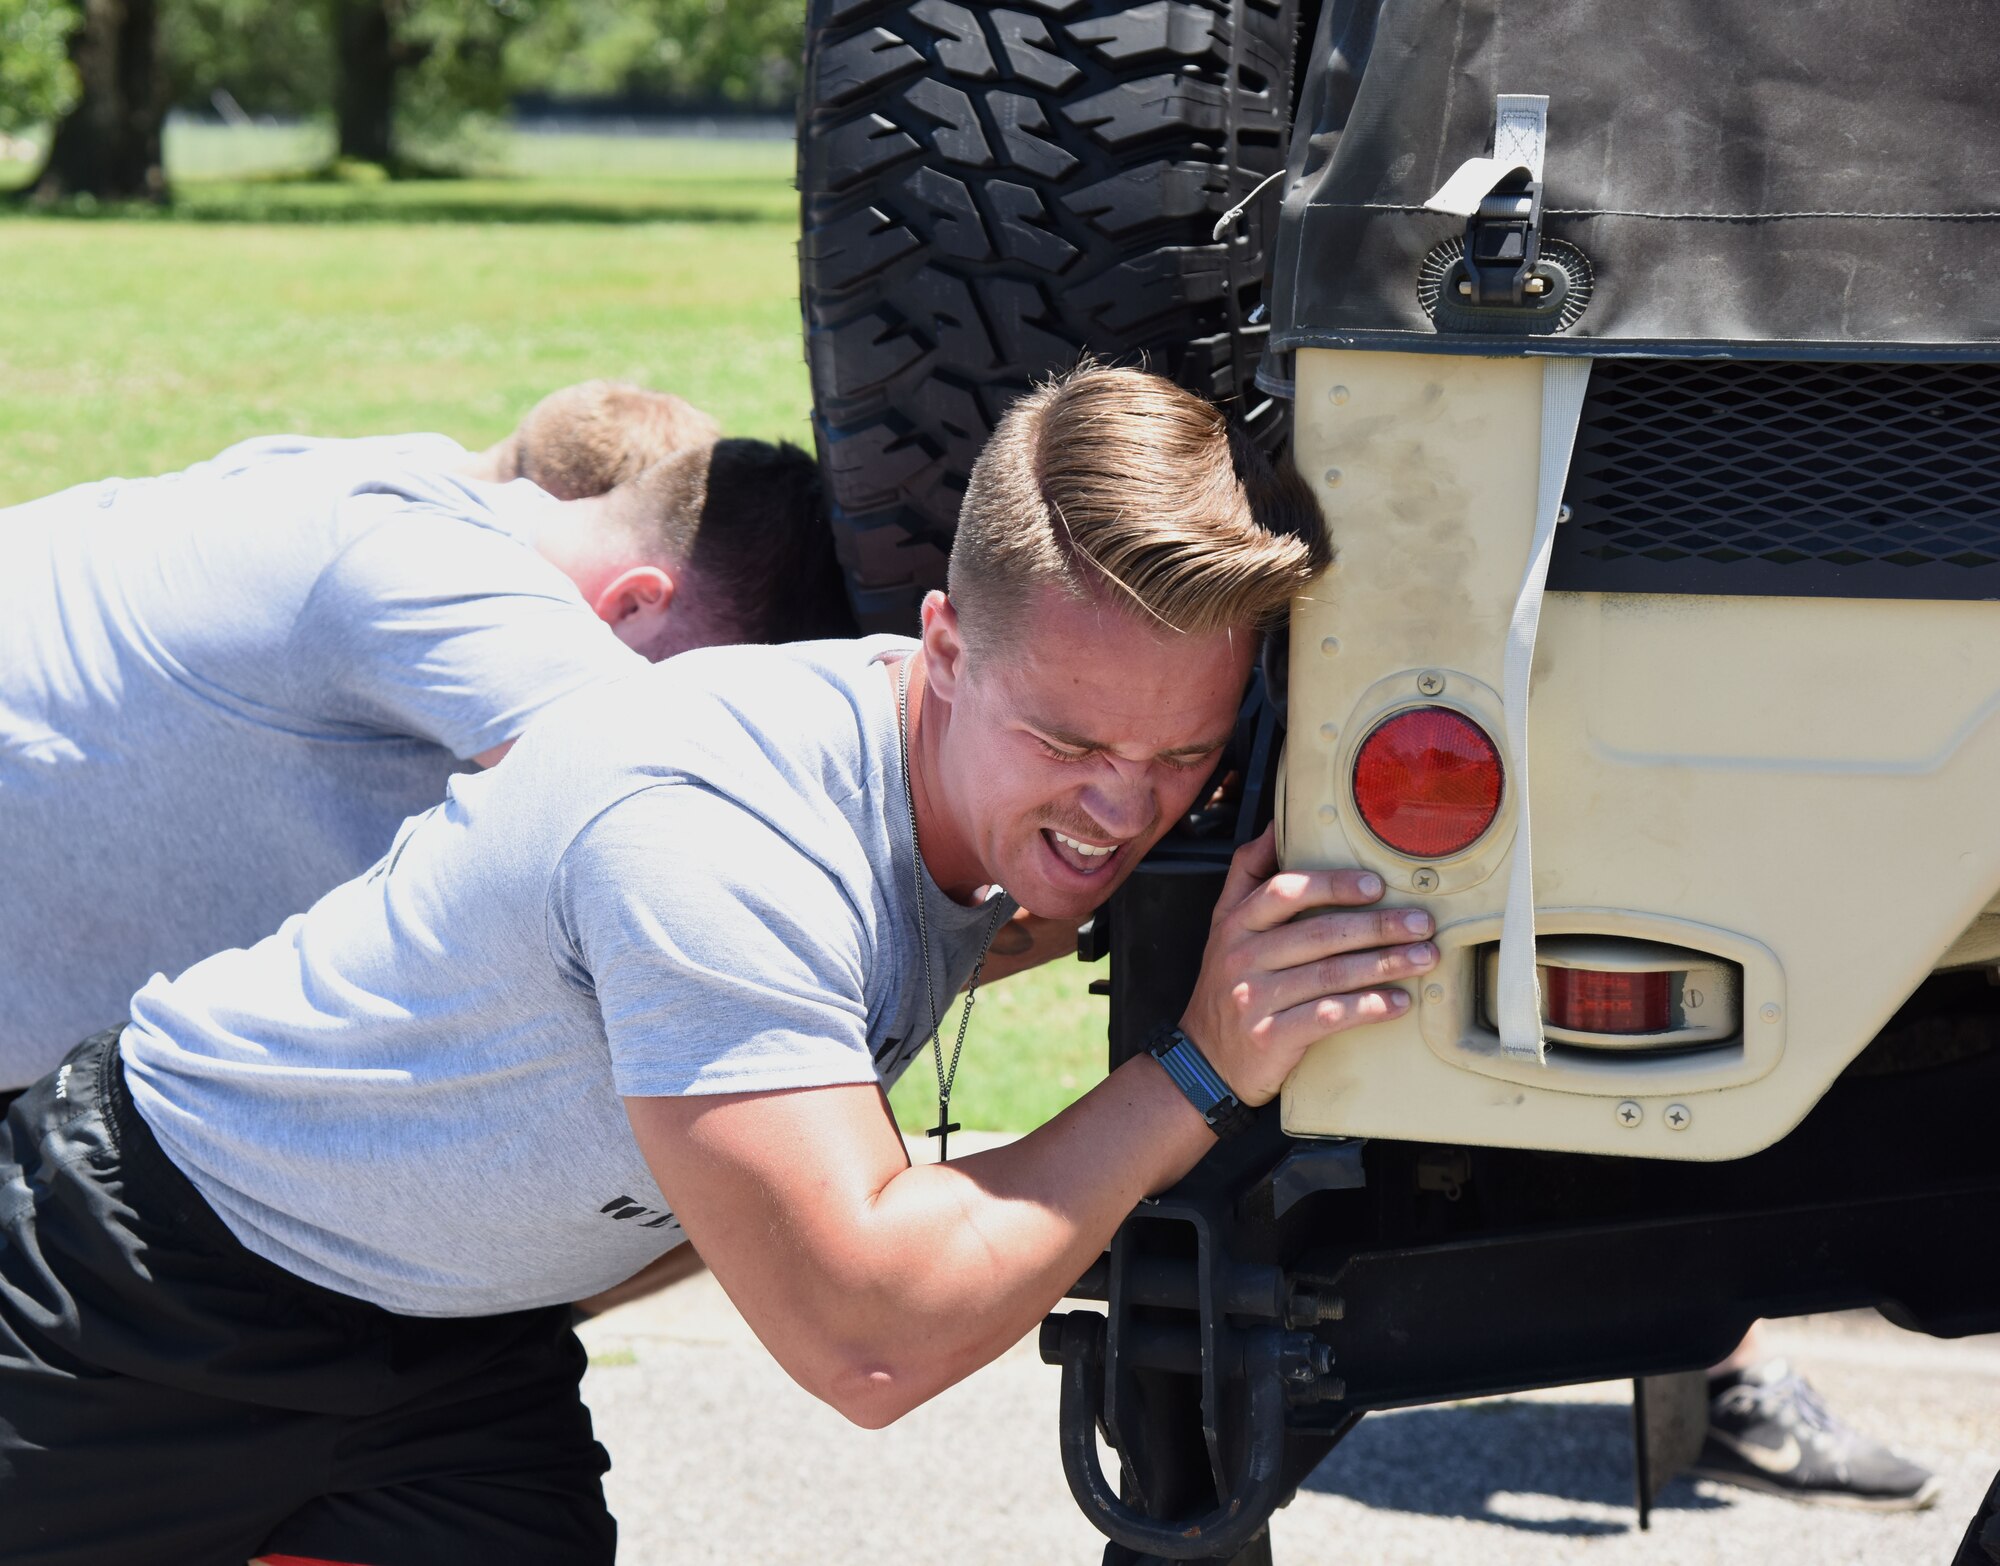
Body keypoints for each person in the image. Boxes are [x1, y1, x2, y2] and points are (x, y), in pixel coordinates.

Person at [0, 364, 1441, 1565]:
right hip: (137, 1287)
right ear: (940, 648)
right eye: (1069, 743)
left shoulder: (976, 833)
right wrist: (1194, 1066)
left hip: (449, 1353)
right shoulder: (719, 831)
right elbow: (866, 1335)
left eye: (1177, 755)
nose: (1121, 810)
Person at [0, 431, 852, 1096]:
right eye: (722, 691)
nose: (729, 720)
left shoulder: (418, 484)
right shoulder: (432, 577)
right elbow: (705, 822)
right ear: (634, 601)